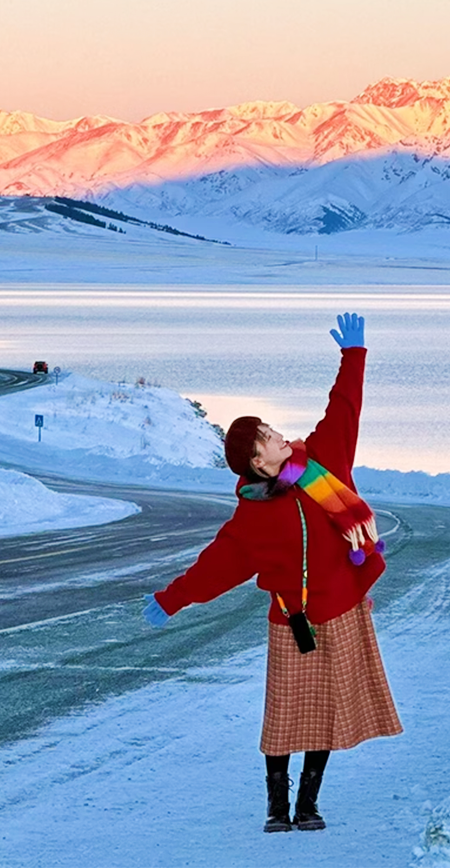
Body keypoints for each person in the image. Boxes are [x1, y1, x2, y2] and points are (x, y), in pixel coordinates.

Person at [141, 312, 402, 832]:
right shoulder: (252, 515)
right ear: (256, 463)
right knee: (285, 717)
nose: (279, 435)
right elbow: (215, 567)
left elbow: (344, 411)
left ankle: (308, 806)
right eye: (266, 436)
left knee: (328, 710)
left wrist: (353, 357)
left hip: (344, 612)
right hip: (294, 622)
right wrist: (172, 599)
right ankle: (276, 809)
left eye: (271, 428)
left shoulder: (320, 462)